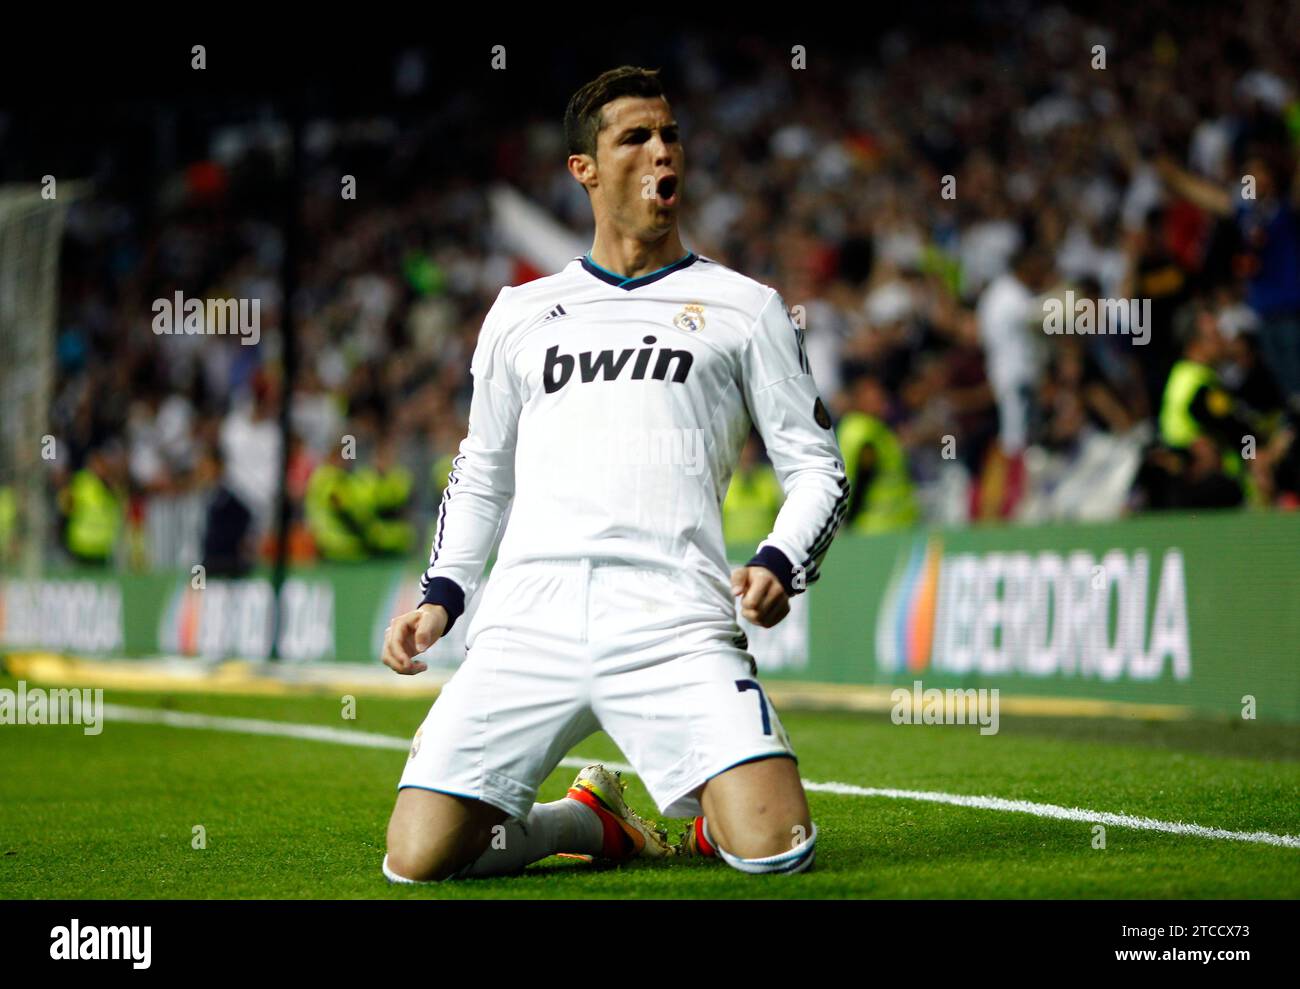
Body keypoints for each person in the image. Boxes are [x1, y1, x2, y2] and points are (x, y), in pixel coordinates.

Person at [381, 66, 847, 882]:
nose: (661, 150)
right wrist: (441, 596)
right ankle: (588, 823)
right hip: (528, 620)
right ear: (585, 170)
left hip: (673, 616)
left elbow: (817, 468)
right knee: (417, 859)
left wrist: (779, 562)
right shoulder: (519, 313)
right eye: (635, 136)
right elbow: (481, 473)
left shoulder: (747, 307)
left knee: (778, 849)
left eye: (669, 135)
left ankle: (696, 824)